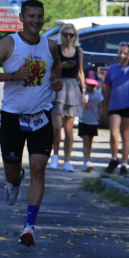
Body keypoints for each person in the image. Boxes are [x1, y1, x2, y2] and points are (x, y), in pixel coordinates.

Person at [0, 0, 63, 247]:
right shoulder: (8, 43)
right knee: (12, 171)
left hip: (41, 117)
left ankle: (29, 227)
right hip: (13, 116)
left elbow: (56, 66)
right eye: (31, 16)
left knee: (39, 168)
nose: (35, 20)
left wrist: (55, 79)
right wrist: (12, 76)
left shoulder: (51, 45)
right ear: (22, 19)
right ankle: (14, 181)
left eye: (39, 16)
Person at [99, 42, 129, 176]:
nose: (122, 55)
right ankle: (114, 158)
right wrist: (103, 107)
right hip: (114, 105)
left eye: (125, 53)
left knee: (125, 135)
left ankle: (124, 164)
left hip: (128, 104)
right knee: (113, 133)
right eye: (120, 53)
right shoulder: (112, 69)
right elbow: (106, 88)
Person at [49, 23, 85, 171]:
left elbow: (80, 72)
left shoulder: (79, 51)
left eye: (71, 35)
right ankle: (55, 155)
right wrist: (61, 66)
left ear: (75, 36)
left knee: (69, 129)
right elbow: (49, 69)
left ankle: (67, 160)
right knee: (57, 127)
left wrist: (83, 92)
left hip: (72, 88)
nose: (69, 38)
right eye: (66, 35)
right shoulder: (56, 50)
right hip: (58, 87)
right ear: (61, 35)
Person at [78, 69, 102, 172]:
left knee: (90, 142)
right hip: (83, 120)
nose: (91, 87)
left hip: (93, 122)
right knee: (86, 141)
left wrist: (100, 115)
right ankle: (86, 161)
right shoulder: (82, 94)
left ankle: (88, 159)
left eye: (93, 85)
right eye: (89, 84)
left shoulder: (98, 94)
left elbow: (101, 106)